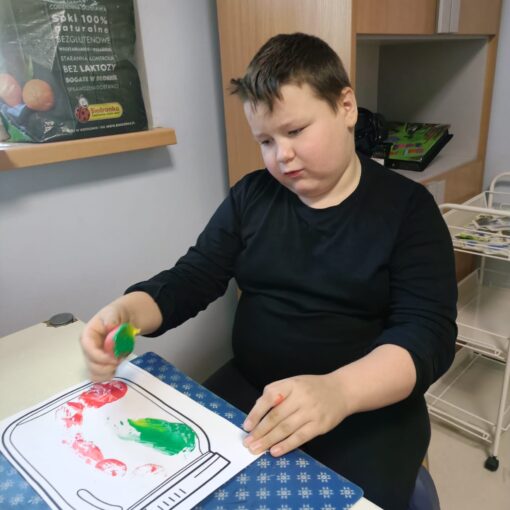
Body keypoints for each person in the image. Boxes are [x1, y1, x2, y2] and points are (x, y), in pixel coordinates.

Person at [80, 33, 457, 510]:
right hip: (254, 389)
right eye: (265, 140)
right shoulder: (251, 197)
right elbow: (193, 277)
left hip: (365, 409)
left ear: (346, 107)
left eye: (295, 131)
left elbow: (427, 335)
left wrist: (338, 391)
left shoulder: (408, 209)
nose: (282, 155)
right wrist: (127, 313)